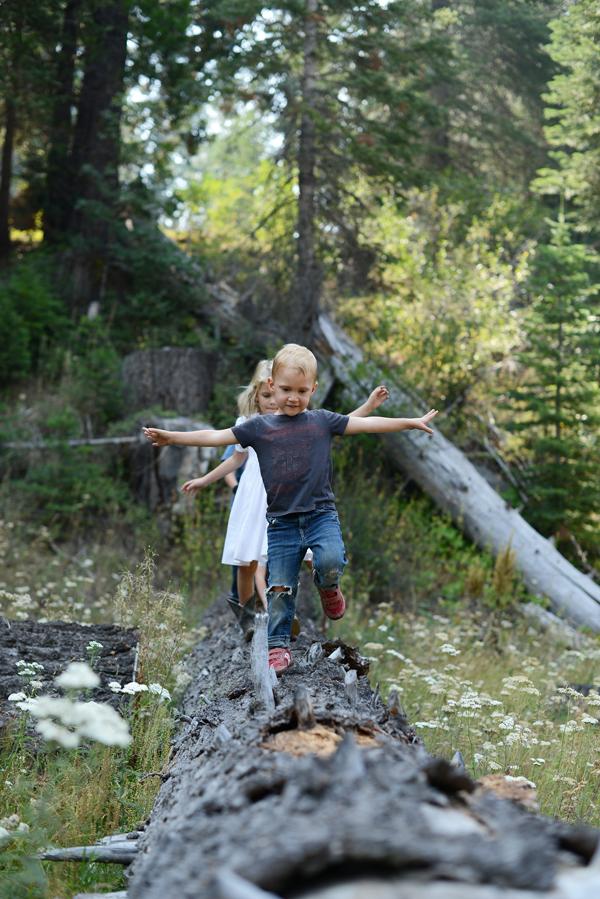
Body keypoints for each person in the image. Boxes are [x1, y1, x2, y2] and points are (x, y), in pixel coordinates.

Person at [143, 343, 437, 674]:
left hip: (320, 515)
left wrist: (410, 422)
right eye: (285, 390)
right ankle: (277, 646)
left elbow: (368, 425)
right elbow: (215, 436)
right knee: (280, 587)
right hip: (282, 523)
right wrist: (172, 437)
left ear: (313, 389)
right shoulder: (258, 427)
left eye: (301, 391)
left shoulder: (321, 421)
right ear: (271, 386)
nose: (293, 398)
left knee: (329, 560)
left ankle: (329, 587)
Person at [180, 358, 390, 640]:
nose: (273, 400)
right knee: (248, 560)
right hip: (254, 496)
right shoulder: (250, 425)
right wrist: (205, 479)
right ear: (258, 393)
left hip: (286, 498)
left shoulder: (303, 420)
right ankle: (248, 617)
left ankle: (304, 602)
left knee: (291, 557)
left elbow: (342, 424)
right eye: (267, 395)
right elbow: (234, 460)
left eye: (279, 394)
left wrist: (369, 406)